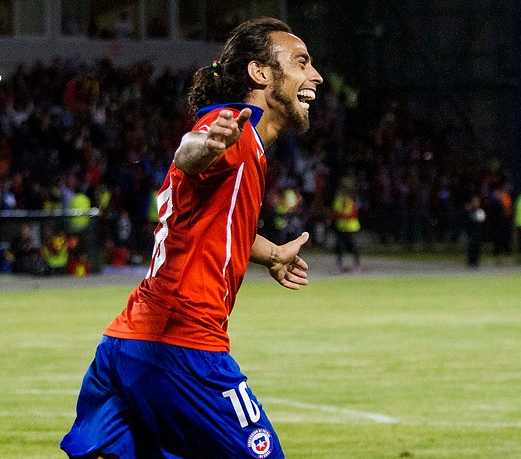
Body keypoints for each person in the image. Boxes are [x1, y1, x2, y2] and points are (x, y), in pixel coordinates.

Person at [61, 17, 323, 459]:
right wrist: (207, 144)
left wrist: (272, 253)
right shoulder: (231, 128)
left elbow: (211, 225)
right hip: (181, 348)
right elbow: (191, 154)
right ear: (260, 73)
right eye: (301, 62)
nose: (314, 75)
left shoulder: (248, 147)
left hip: (128, 343)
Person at [331, 175, 361, 274]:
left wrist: (343, 214)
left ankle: (356, 264)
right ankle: (339, 265)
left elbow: (354, 212)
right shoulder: (339, 198)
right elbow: (335, 212)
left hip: (352, 227)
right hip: (341, 226)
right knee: (339, 247)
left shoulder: (353, 198)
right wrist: (341, 214)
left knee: (354, 246)